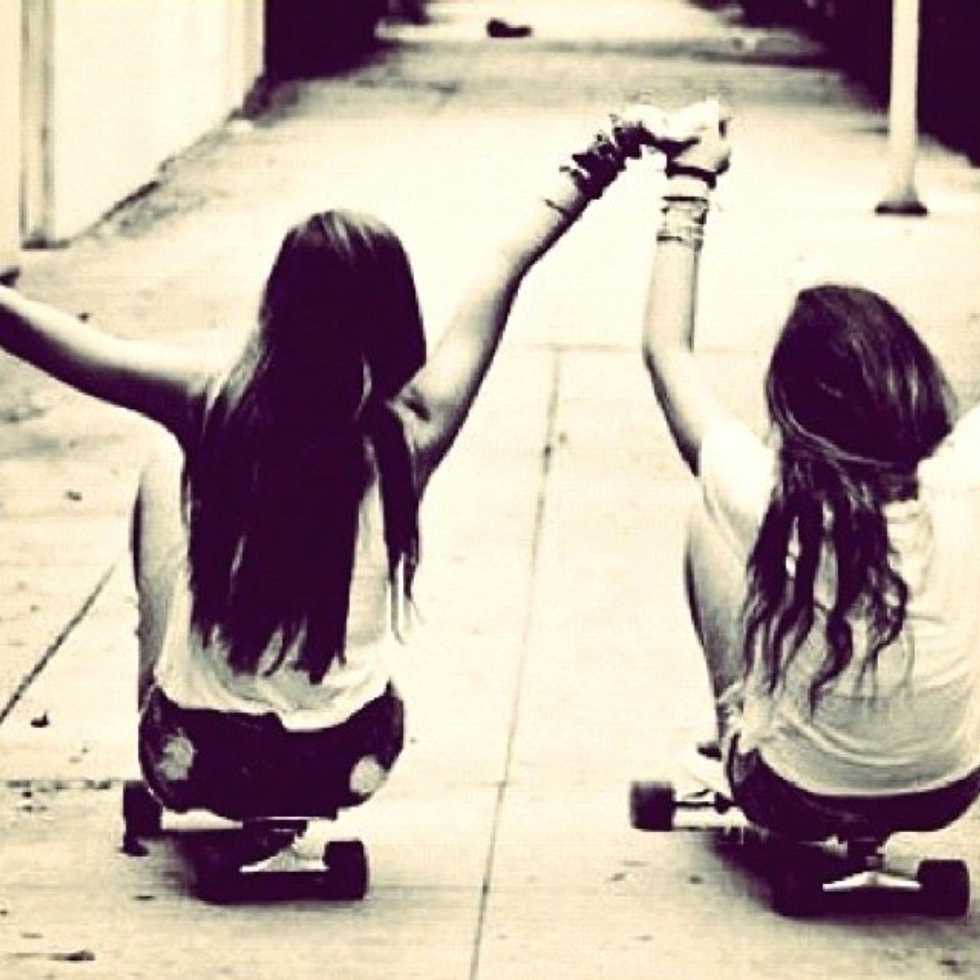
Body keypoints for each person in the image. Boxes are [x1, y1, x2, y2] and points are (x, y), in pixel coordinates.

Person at [0, 104, 694, 829]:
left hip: (198, 758)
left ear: (279, 304)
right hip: (346, 762)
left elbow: (55, 341)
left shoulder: (210, 403)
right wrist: (616, 145)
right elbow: (505, 265)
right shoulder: (412, 432)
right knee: (338, 676)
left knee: (161, 474)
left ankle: (170, 710)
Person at [641, 114, 980, 841]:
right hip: (947, 788)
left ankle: (738, 723)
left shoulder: (772, 498)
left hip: (792, 796)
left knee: (707, 516)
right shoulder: (965, 475)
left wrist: (689, 180)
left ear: (792, 406)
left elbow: (666, 352)